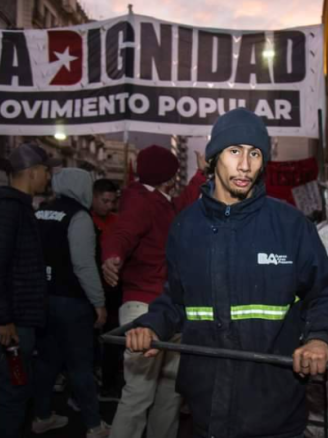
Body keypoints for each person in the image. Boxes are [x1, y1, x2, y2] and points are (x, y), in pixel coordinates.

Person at [125, 108, 328, 438]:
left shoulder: (290, 226)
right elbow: (176, 299)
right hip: (205, 408)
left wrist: (320, 339)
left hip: (274, 408)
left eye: (255, 154)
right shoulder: (185, 227)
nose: (245, 165)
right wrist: (151, 324)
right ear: (214, 157)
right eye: (234, 151)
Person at [102, 144, 207, 437]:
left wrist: (200, 174)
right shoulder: (141, 201)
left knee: (168, 392)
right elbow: (121, 232)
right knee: (139, 394)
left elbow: (183, 205)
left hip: (165, 307)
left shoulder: (157, 200)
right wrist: (112, 255)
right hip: (145, 308)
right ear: (168, 175)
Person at [0, 143, 53, 438]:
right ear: (31, 173)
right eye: (45, 170)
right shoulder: (8, 210)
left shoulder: (15, 207)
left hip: (17, 318)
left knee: (17, 389)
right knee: (14, 392)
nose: (48, 176)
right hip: (11, 323)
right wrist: (3, 319)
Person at [33, 168, 109, 438]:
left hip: (42, 299)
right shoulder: (79, 216)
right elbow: (84, 265)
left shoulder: (40, 212)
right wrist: (99, 303)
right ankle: (93, 425)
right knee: (80, 366)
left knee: (46, 362)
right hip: (72, 302)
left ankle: (41, 416)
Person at [90, 179, 124, 402]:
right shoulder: (84, 219)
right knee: (89, 340)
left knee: (112, 338)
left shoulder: (117, 221)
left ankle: (109, 384)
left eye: (112, 201)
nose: (109, 206)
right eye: (104, 201)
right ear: (93, 197)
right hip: (91, 288)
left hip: (113, 288)